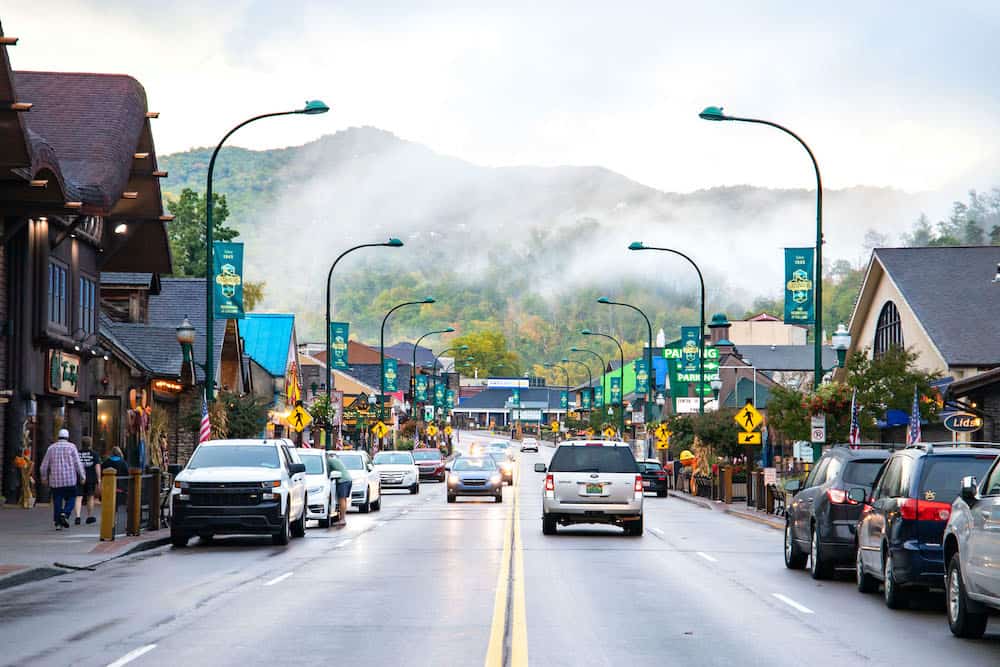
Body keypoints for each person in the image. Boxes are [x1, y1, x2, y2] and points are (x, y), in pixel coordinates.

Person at [39, 429, 85, 530]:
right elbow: (78, 463)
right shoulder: (72, 447)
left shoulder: (51, 448)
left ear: (58, 437)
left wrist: (44, 477)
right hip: (70, 480)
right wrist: (82, 476)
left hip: (55, 481)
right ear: (67, 437)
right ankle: (65, 513)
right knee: (72, 498)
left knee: (57, 501)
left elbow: (44, 465)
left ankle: (58, 523)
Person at [74, 436, 101, 525]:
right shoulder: (94, 454)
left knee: (78, 497)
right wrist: (99, 478)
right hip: (91, 478)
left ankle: (77, 516)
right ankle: (89, 516)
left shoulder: (77, 453)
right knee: (90, 497)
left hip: (79, 478)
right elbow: (97, 466)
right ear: (90, 444)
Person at [326, 453, 352, 527]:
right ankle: (342, 518)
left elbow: (327, 473)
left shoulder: (328, 461)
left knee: (341, 499)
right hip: (347, 479)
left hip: (342, 480)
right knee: (343, 499)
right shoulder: (335, 459)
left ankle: (342, 519)